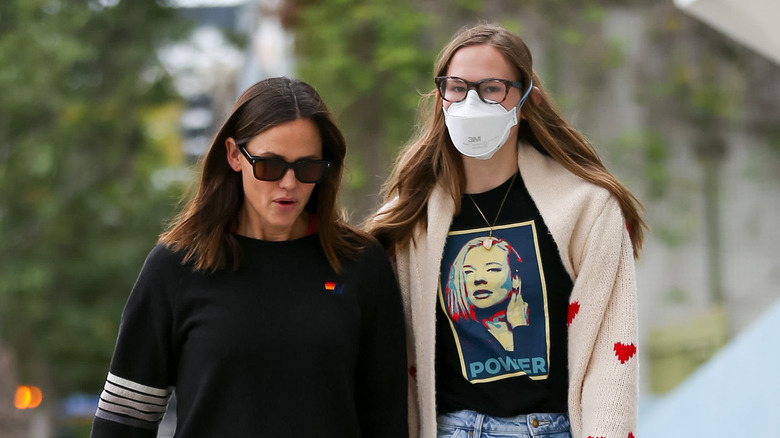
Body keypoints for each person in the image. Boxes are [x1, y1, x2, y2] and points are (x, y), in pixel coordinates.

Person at [366, 23, 646, 438]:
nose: (471, 102)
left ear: (526, 100)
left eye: (492, 88)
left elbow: (610, 356)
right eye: (457, 87)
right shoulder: (409, 221)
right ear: (440, 97)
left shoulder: (587, 209)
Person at [90, 77, 408, 438]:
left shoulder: (362, 265)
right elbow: (122, 421)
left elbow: (387, 419)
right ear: (233, 155)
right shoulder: (176, 266)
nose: (289, 184)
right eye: (271, 166)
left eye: (307, 168)